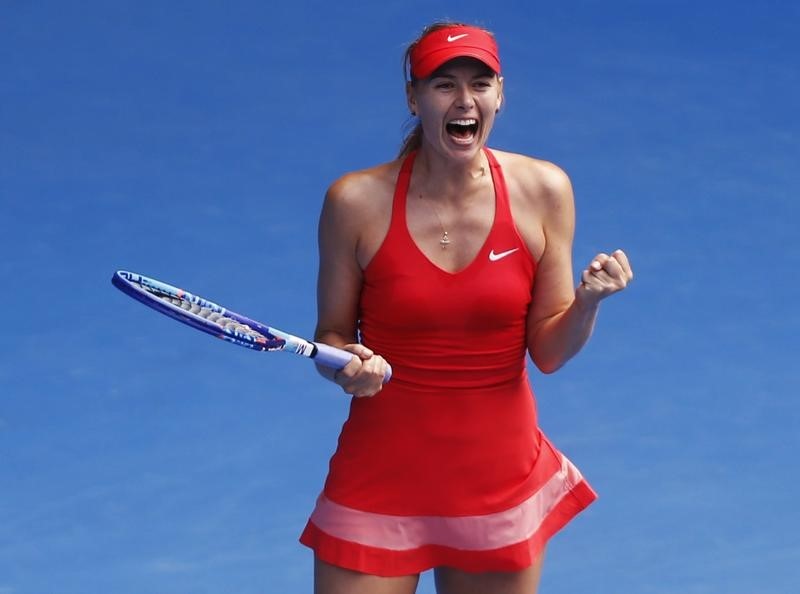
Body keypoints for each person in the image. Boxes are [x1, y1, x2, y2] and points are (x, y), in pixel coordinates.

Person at [300, 21, 633, 594]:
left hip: (497, 479)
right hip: (380, 474)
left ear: (500, 94)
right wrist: (345, 364)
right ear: (413, 98)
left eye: (479, 84)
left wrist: (587, 303)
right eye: (442, 85)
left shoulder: (545, 190)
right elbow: (331, 333)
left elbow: (548, 352)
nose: (463, 100)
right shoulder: (353, 202)